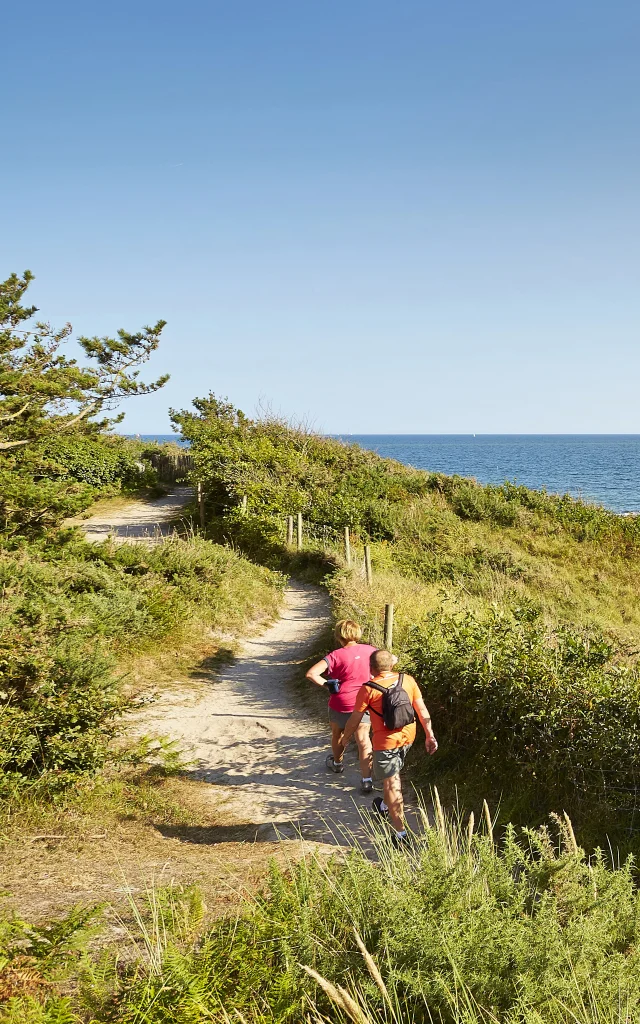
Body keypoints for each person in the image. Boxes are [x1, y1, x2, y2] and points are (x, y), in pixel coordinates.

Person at [339, 649, 437, 846]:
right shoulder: (407, 680)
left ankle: (401, 835)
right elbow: (422, 709)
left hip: (386, 743)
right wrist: (430, 735)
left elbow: (355, 719)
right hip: (408, 736)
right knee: (392, 773)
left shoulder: (368, 689)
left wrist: (345, 738)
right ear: (391, 665)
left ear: (372, 668)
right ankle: (384, 807)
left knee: (391, 783)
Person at [305, 620, 376, 794]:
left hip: (340, 702)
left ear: (339, 636)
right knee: (364, 740)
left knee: (337, 734)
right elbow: (389, 662)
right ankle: (367, 780)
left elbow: (311, 673)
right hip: (364, 702)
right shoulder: (371, 651)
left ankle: (337, 764)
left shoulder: (335, 655)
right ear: (358, 632)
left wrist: (327, 685)